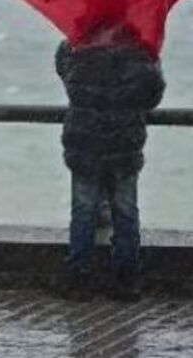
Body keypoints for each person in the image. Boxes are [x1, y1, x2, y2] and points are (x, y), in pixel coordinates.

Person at [55, 24, 165, 302]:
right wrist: (152, 58)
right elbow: (152, 95)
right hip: (124, 146)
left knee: (83, 210)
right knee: (126, 212)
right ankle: (126, 277)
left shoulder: (77, 45)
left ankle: (79, 276)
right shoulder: (140, 50)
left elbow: (66, 74)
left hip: (85, 143)